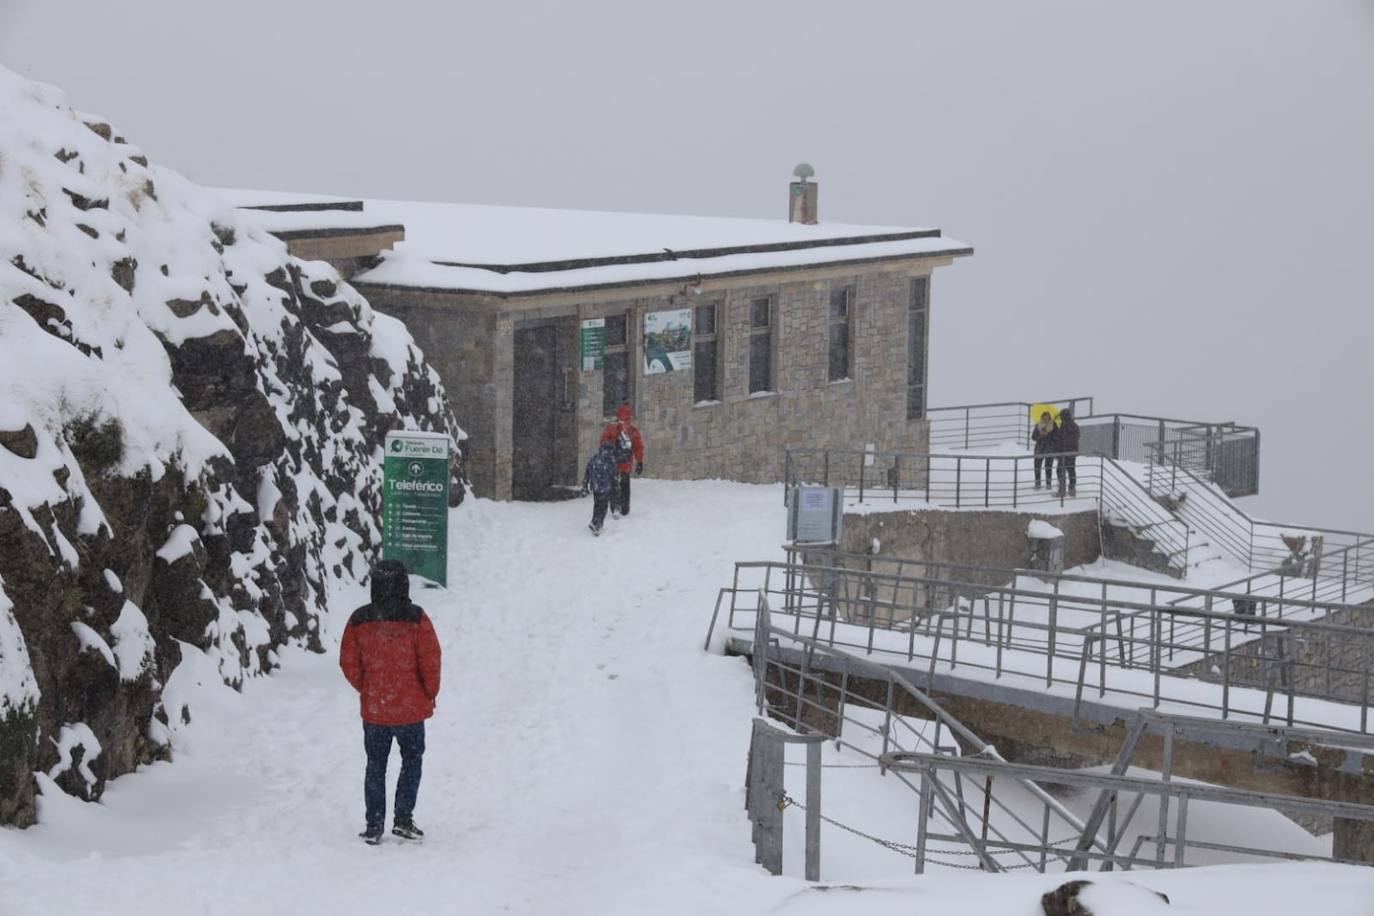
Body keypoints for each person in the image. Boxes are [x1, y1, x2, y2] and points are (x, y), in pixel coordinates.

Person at [339, 560, 442, 845]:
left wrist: (369, 687)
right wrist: (428, 692)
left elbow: (348, 662)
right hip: (410, 709)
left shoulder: (359, 619)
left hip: (376, 710)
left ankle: (374, 824)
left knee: (375, 764)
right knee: (411, 760)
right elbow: (430, 660)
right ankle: (403, 818)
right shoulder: (417, 618)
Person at [599, 403, 644, 517]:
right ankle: (624, 508)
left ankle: (615, 507)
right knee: (624, 486)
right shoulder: (632, 431)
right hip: (625, 464)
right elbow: (638, 446)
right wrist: (639, 461)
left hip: (614, 464)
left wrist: (606, 455)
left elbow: (603, 444)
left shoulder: (611, 428)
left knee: (614, 486)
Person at [580, 441, 619, 535]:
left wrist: (585, 484)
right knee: (603, 507)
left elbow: (587, 472)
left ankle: (594, 521)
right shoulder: (611, 460)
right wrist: (616, 486)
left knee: (597, 505)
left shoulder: (594, 458)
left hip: (596, 487)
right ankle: (598, 526)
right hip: (605, 488)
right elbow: (614, 476)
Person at [1056, 408, 1081, 498]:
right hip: (1072, 452)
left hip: (1064, 452)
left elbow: (1061, 439)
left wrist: (1060, 449)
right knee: (1071, 470)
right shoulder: (1074, 425)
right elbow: (1075, 438)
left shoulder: (1065, 425)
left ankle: (1062, 490)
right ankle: (1072, 488)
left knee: (1060, 470)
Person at [1031, 410, 1056, 490]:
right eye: (1044, 418)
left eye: (1047, 418)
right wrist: (1041, 436)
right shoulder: (1038, 426)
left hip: (1049, 449)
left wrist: (1048, 435)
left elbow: (1056, 438)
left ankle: (1048, 484)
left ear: (1049, 418)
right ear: (1041, 418)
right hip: (1039, 449)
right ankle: (1037, 483)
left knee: (1048, 467)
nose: (1045, 419)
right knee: (1037, 466)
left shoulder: (1053, 426)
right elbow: (1033, 437)